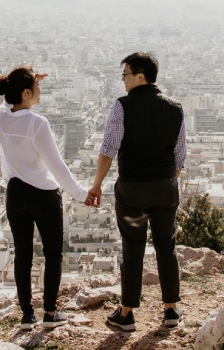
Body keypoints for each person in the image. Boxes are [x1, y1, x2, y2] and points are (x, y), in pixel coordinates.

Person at [0, 66, 95, 330]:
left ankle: (27, 315)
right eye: (36, 87)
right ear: (26, 92)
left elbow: (5, 104)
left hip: (15, 193)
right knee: (53, 254)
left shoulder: (0, 119)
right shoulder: (38, 124)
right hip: (43, 195)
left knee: (22, 254)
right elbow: (57, 166)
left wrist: (24, 83)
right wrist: (81, 194)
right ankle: (50, 312)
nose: (40, 91)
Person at [89, 52, 186, 331]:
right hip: (165, 189)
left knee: (133, 248)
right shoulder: (175, 108)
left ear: (140, 77)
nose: (123, 81)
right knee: (166, 246)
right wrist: (164, 181)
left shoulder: (122, 107)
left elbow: (108, 149)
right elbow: (180, 158)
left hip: (132, 191)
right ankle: (171, 311)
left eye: (126, 75)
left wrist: (96, 185)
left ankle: (127, 313)